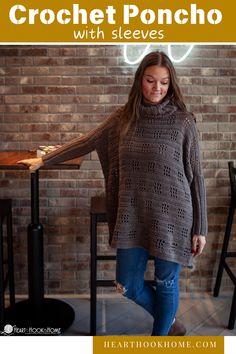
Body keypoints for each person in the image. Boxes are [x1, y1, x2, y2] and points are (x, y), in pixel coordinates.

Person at [19, 51, 207, 336]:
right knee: (127, 284)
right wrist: (45, 160)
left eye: (164, 82)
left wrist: (200, 228)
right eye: (150, 80)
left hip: (173, 217)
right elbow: (88, 140)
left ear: (171, 84)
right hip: (132, 215)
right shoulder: (123, 118)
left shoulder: (183, 122)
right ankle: (167, 321)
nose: (157, 88)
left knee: (167, 282)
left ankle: (161, 338)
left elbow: (196, 177)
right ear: (139, 81)